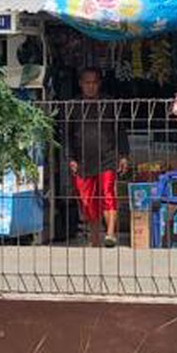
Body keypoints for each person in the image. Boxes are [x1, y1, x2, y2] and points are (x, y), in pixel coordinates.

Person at [66, 67, 130, 247]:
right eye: (87, 83)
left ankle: (110, 234)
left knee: (108, 193)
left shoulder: (109, 103)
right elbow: (68, 135)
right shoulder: (73, 106)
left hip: (107, 157)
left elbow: (120, 131)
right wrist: (71, 157)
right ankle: (94, 236)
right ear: (81, 84)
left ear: (99, 84)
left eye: (94, 83)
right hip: (83, 159)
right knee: (87, 201)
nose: (91, 87)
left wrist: (123, 155)